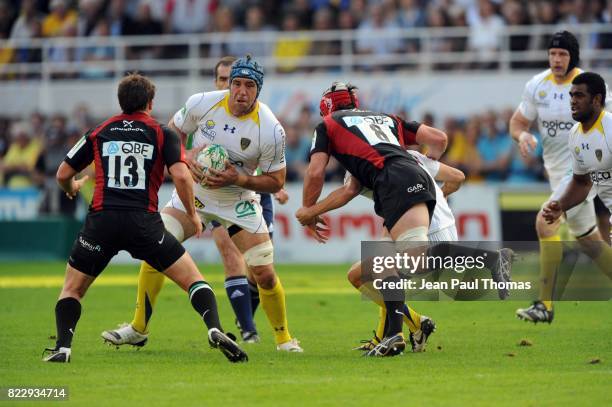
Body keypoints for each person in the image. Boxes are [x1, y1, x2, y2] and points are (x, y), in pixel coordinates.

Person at [42, 73, 247, 363]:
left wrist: (72, 187)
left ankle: (63, 348)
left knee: (72, 289)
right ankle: (214, 328)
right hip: (144, 224)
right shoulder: (163, 133)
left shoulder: (99, 130)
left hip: (102, 222)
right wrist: (192, 214)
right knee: (193, 280)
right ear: (150, 103)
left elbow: (63, 173)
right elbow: (181, 176)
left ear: (120, 102)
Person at [104, 55, 301, 352]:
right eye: (236, 83)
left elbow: (277, 181)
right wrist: (186, 156)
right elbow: (171, 134)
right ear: (229, 84)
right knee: (157, 246)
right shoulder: (202, 102)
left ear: (258, 89)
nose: (241, 91)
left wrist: (240, 179)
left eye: (249, 85)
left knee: (263, 271)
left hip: (237, 199)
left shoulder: (271, 129)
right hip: (195, 194)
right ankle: (138, 328)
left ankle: (284, 339)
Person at [302, 81, 447, 357]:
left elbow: (315, 172)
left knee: (411, 259)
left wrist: (308, 209)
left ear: (327, 106)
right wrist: (427, 166)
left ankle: (394, 336)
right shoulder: (387, 119)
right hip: (408, 180)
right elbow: (439, 139)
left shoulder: (329, 124)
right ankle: (414, 326)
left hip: (394, 183)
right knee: (358, 275)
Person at [509, 31, 612, 323]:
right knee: (590, 242)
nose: (557, 59)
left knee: (545, 221)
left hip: (581, 171)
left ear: (572, 57)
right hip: (559, 173)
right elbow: (517, 122)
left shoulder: (589, 85)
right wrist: (523, 135)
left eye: (563, 54)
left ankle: (545, 304)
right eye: (553, 54)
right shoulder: (537, 85)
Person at [542, 72, 612, 281]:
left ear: (597, 99)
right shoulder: (575, 135)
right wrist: (560, 205)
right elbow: (582, 182)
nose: (572, 101)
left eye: (579, 95)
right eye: (571, 95)